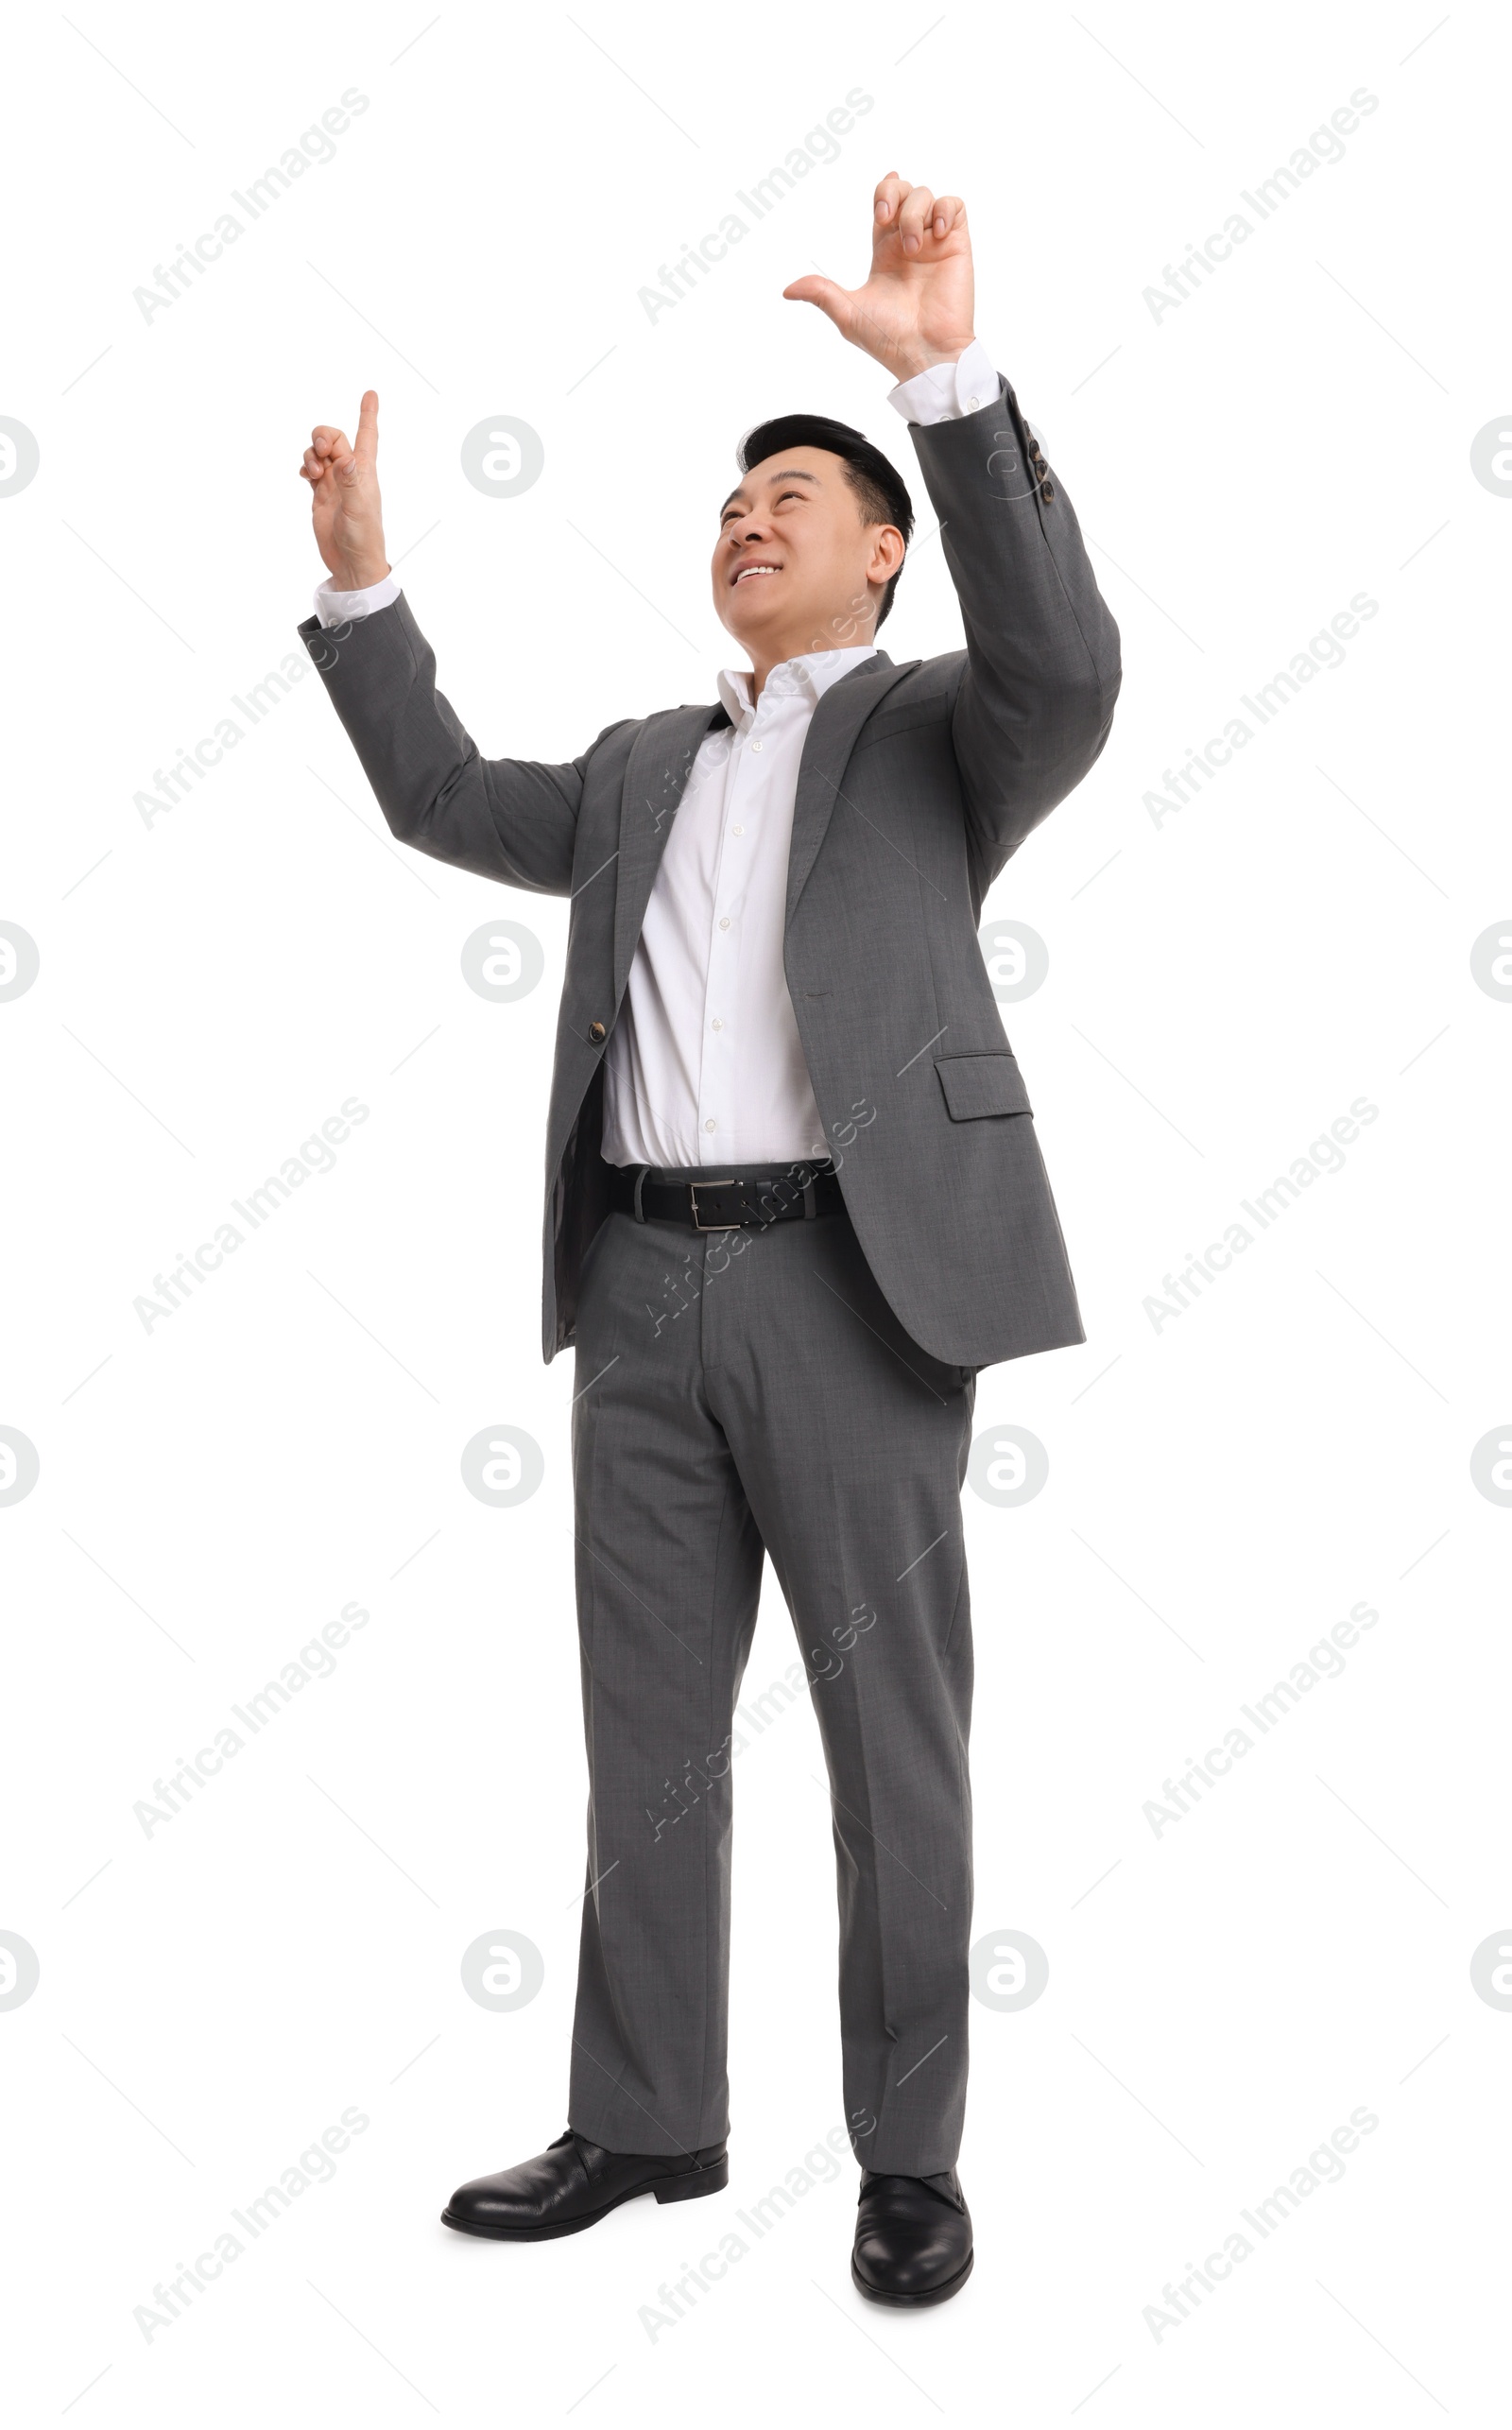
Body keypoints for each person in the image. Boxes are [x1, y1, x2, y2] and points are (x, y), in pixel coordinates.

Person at [298, 170, 1120, 2307]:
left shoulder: (950, 729)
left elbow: (1068, 645)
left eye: (788, 491)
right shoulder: (645, 764)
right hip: (640, 1290)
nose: (746, 516)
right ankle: (647, 2112)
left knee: (889, 1747)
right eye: (729, 497)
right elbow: (440, 799)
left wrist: (942, 376)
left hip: (858, 1286)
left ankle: (908, 2156)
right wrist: (367, 590)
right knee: (641, 1734)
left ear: (876, 551)